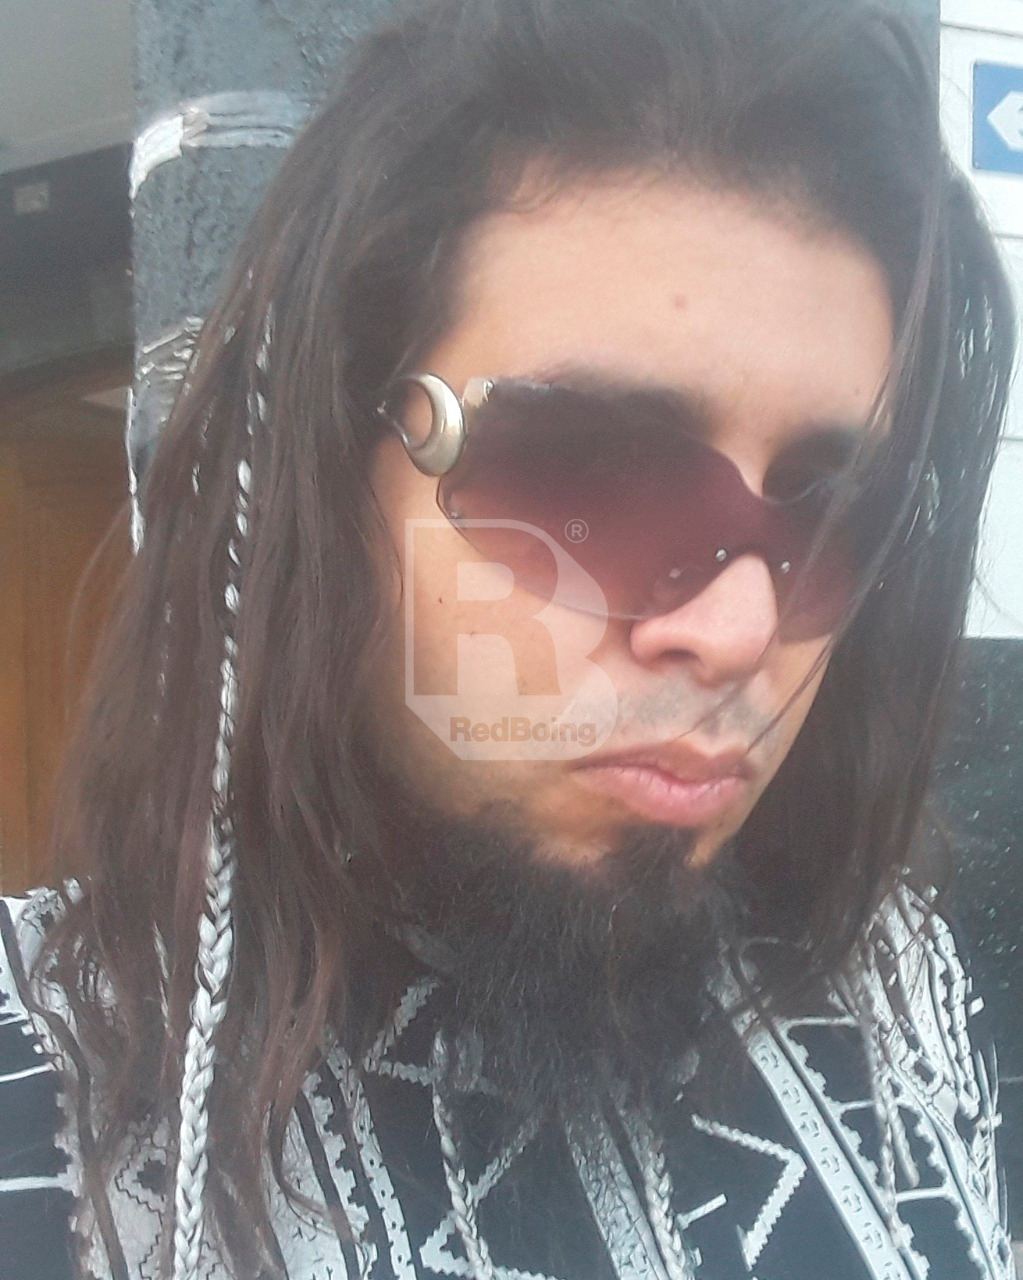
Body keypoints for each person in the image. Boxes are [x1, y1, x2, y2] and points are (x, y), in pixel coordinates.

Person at [1, 0, 1018, 1276]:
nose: (743, 627)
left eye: (832, 508)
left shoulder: (897, 999)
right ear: (325, 472)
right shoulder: (42, 1084)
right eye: (592, 474)